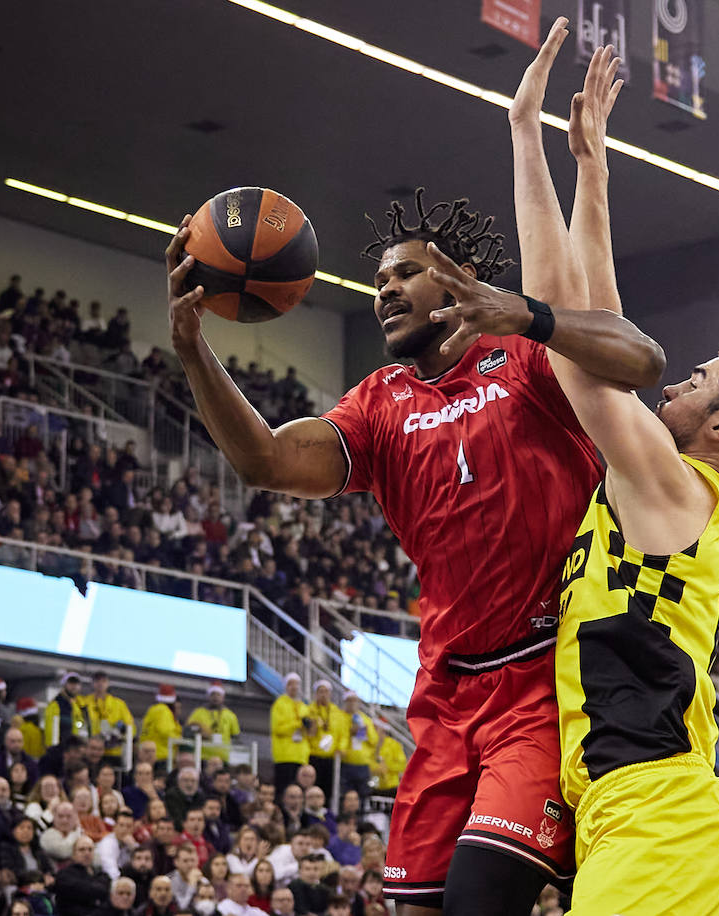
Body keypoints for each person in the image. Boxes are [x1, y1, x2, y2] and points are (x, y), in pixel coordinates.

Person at [166, 32, 666, 914]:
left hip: (541, 680)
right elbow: (266, 461)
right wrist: (194, 349)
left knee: (482, 896)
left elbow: (641, 360)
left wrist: (537, 313)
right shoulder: (379, 400)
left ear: (458, 282)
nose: (386, 289)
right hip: (442, 690)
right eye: (378, 281)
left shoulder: (526, 358)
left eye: (405, 274)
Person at [422, 23, 719, 915]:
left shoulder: (674, 486)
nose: (674, 381)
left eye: (696, 381)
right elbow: (602, 324)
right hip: (636, 813)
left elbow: (575, 342)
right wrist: (588, 170)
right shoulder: (669, 488)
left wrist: (523, 140)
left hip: (660, 822)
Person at [299, 684, 345, 801]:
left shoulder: (336, 712)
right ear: (316, 694)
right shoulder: (309, 710)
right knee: (310, 788)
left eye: (326, 692)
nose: (323, 695)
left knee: (328, 791)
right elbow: (306, 733)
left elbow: (342, 733)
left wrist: (340, 748)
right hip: (313, 755)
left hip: (330, 757)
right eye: (321, 691)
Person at [268, 676, 310, 799]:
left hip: (301, 757)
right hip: (284, 756)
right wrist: (298, 724)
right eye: (291, 684)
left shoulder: (304, 707)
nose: (294, 687)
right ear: (286, 686)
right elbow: (277, 729)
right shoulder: (279, 704)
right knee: (283, 792)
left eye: (297, 684)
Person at [82, 673, 136, 763]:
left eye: (103, 681)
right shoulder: (84, 703)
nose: (100, 684)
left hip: (113, 753)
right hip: (91, 753)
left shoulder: (119, 704)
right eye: (97, 681)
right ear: (92, 684)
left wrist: (119, 736)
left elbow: (131, 728)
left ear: (108, 683)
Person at [53, 836, 111, 916]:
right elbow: (81, 890)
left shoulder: (101, 874)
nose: (87, 853)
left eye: (90, 849)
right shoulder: (64, 875)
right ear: (73, 854)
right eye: (82, 850)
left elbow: (105, 890)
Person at [336, 693, 376, 802]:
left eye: (354, 700)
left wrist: (365, 732)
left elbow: (374, 740)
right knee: (346, 795)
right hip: (347, 763)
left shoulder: (365, 719)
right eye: (349, 701)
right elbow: (339, 737)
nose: (352, 703)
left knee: (363, 795)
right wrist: (350, 732)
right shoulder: (340, 717)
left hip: (363, 763)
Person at [186, 686, 239, 766]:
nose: (215, 697)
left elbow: (235, 736)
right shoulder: (198, 712)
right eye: (213, 694)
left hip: (223, 758)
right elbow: (188, 730)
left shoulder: (230, 715)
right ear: (208, 696)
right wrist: (200, 732)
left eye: (218, 694)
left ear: (223, 697)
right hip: (202, 757)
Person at [139, 688, 181, 770]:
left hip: (148, 755)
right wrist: (180, 739)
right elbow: (166, 732)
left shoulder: (152, 710)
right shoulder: (163, 710)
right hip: (161, 756)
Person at [44, 673, 89, 747]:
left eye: (76, 684)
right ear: (64, 685)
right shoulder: (55, 705)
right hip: (58, 749)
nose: (74, 686)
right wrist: (51, 748)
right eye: (71, 683)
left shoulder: (78, 707)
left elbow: (79, 727)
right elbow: (50, 730)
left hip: (72, 749)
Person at [369, 722, 405, 798]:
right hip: (375, 786)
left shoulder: (394, 745)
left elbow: (402, 765)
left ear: (383, 731)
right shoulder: (370, 746)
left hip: (392, 786)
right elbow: (368, 765)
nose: (373, 732)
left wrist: (387, 766)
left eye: (376, 729)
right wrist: (378, 768)